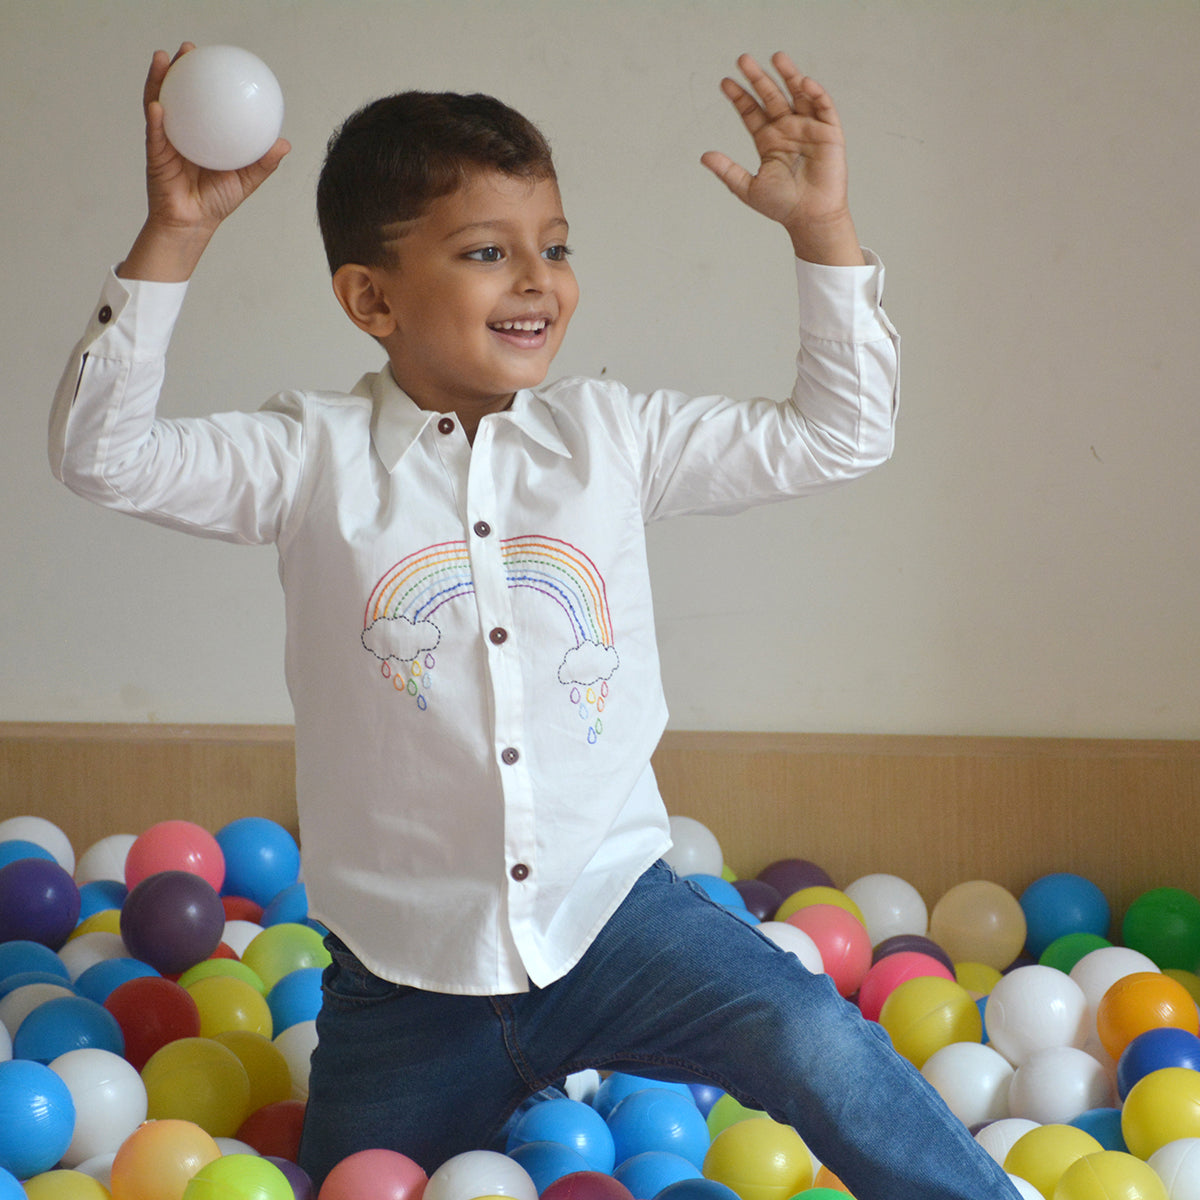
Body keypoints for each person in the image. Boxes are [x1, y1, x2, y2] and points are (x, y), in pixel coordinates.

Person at [50, 44, 1021, 1199]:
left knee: (811, 1031)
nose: (537, 281)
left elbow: (841, 433)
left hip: (618, 925)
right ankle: (521, 1093)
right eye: (486, 253)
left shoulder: (607, 439)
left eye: (554, 248)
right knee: (361, 1181)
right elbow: (102, 457)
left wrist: (822, 228)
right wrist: (177, 237)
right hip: (410, 983)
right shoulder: (308, 459)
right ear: (371, 298)